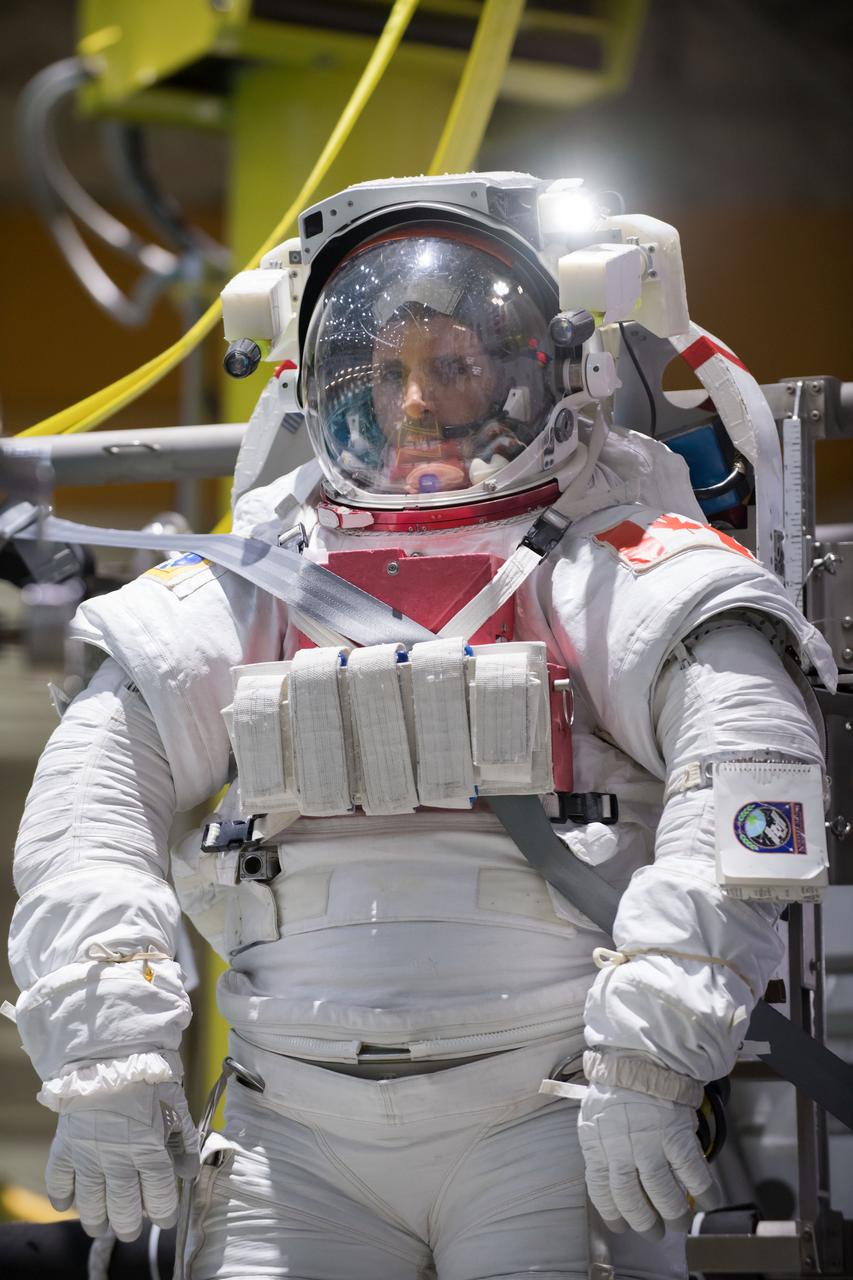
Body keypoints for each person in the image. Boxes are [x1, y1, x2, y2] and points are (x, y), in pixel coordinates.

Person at [9, 174, 834, 1280]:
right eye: (386, 373)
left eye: (453, 366)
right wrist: (107, 1043)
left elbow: (748, 776)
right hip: (284, 1134)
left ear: (547, 365)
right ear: (325, 387)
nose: (416, 406)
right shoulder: (260, 577)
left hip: (553, 1113)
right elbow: (91, 804)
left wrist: (655, 1047)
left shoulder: (616, 558)